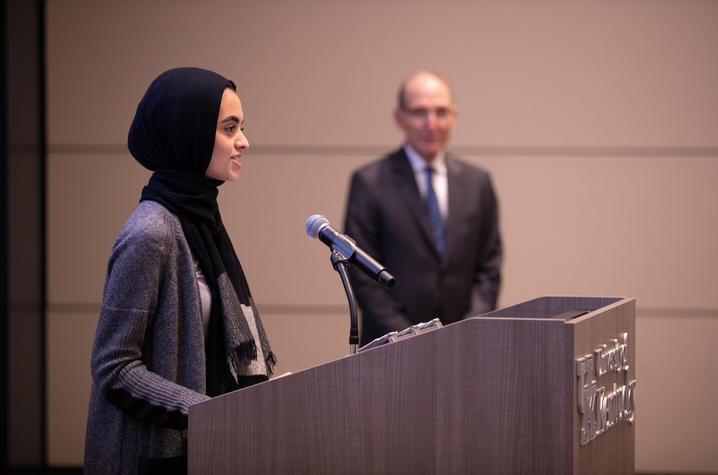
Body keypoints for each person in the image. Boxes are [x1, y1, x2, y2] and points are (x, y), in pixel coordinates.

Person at [84, 67, 276, 475]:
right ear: (186, 133)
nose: (244, 141)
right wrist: (212, 412)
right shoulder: (151, 231)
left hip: (196, 452)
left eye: (241, 127)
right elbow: (114, 366)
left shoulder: (201, 222)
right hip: (148, 458)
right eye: (229, 129)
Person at [344, 71, 502, 346]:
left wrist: (468, 328)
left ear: (453, 116)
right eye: (419, 112)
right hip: (391, 348)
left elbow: (489, 268)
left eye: (440, 112)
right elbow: (362, 275)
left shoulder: (478, 182)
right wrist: (412, 339)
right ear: (399, 117)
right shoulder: (369, 182)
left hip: (465, 344)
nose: (431, 123)